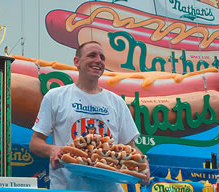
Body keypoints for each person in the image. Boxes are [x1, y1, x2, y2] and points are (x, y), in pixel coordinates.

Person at [29, 41, 150, 191]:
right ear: (77, 62)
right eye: (92, 55)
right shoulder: (55, 96)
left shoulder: (117, 102)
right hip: (67, 187)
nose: (98, 60)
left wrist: (143, 166)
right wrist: (53, 150)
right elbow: (35, 142)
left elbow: (131, 147)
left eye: (102, 57)